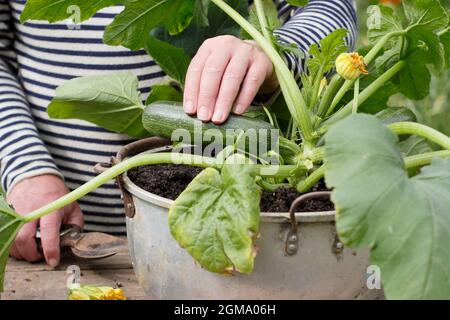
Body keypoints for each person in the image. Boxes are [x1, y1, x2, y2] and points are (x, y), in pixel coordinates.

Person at [0, 0, 357, 267]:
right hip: (62, 243)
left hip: (240, 244)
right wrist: (26, 168)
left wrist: (274, 52)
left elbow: (333, 7)